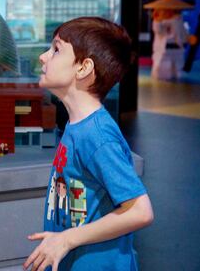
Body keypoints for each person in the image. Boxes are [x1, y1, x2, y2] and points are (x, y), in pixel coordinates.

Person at [25, 17, 154, 271]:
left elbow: (140, 211)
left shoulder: (98, 136)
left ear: (83, 68)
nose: (43, 56)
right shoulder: (77, 127)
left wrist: (66, 239)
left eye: (56, 49)